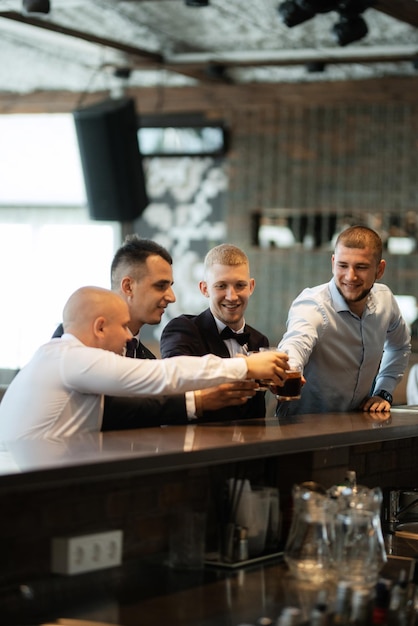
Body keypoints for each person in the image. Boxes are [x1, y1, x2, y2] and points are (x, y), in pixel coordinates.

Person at [0, 286, 289, 441]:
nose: (129, 336)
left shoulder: (52, 354)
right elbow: (161, 374)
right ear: (100, 327)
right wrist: (247, 367)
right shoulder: (72, 358)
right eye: (124, 326)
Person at [54, 235, 258, 429]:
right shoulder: (74, 338)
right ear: (128, 286)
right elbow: (110, 409)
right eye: (161, 286)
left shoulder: (146, 357)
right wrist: (202, 398)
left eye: (170, 286)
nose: (171, 297)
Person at [276, 225, 411, 418]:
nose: (350, 276)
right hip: (303, 427)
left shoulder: (385, 299)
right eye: (342, 265)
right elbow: (296, 342)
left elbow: (400, 347)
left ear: (379, 269)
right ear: (333, 263)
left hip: (356, 425)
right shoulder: (312, 305)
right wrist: (290, 370)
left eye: (361, 267)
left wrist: (384, 391)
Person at [161, 243, 282, 422]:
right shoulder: (183, 329)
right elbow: (177, 382)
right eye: (221, 286)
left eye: (240, 285)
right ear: (204, 289)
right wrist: (244, 368)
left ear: (251, 287)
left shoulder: (259, 340)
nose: (231, 296)